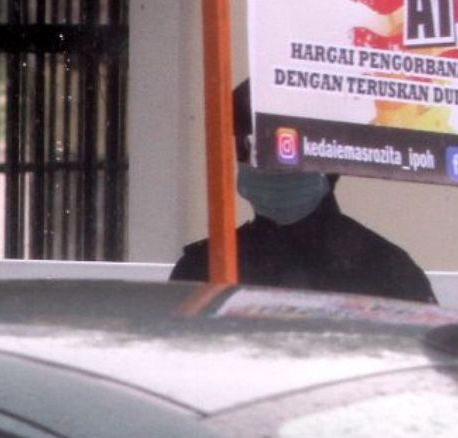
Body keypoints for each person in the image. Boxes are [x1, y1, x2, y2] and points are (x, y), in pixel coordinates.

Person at [170, 80, 436, 304]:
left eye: (291, 148)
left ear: (332, 157)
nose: (273, 165)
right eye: (253, 148)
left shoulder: (388, 273)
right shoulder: (203, 270)